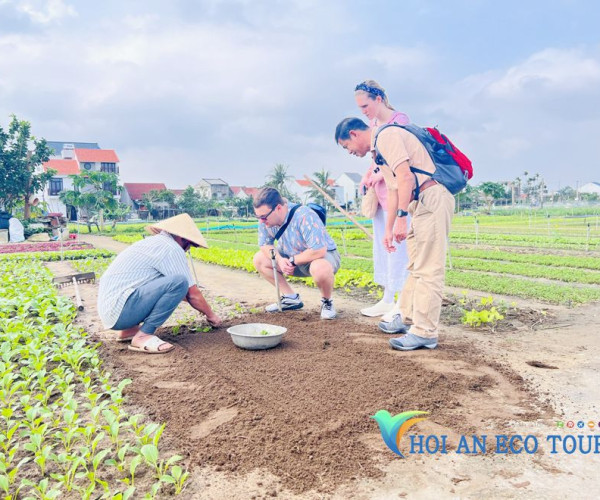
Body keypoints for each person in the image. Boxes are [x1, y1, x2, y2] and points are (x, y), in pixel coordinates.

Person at [335, 117, 455, 351]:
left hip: (432, 197)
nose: (349, 152)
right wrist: (388, 229)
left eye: (346, 146)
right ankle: (406, 315)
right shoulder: (377, 151)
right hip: (418, 204)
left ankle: (425, 332)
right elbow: (393, 188)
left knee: (429, 268)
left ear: (354, 134)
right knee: (415, 266)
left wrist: (401, 217)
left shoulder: (387, 136)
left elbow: (405, 177)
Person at [97, 213, 222, 354]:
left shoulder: (155, 243)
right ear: (183, 239)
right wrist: (212, 316)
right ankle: (143, 336)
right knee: (180, 281)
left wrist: (200, 307)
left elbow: (179, 293)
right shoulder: (171, 248)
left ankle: (129, 331)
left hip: (113, 311)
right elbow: (190, 292)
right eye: (190, 245)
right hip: (121, 311)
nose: (188, 250)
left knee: (172, 282)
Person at [354, 80, 411, 320]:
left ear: (378, 99)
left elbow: (400, 164)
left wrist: (376, 174)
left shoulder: (400, 122)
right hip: (381, 197)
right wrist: (367, 177)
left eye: (366, 105)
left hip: (398, 197)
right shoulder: (374, 125)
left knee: (400, 250)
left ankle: (402, 302)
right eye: (360, 108)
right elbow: (376, 162)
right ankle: (388, 298)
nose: (364, 111)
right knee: (383, 249)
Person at [252, 187, 341, 320]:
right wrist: (280, 260)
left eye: (264, 217)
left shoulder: (305, 215)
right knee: (260, 259)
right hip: (290, 257)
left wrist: (293, 260)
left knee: (320, 268)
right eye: (258, 217)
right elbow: (265, 244)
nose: (261, 221)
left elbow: (318, 250)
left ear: (278, 208)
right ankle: (290, 298)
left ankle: (327, 302)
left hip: (318, 257)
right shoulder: (265, 220)